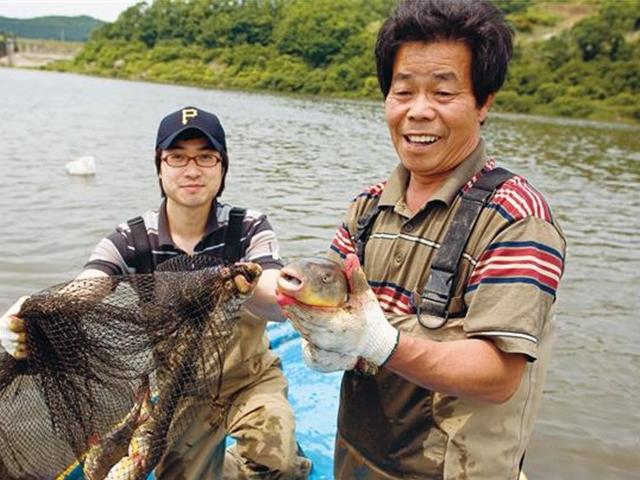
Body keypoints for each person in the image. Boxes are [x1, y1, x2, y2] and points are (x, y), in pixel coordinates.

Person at [280, 1, 566, 479]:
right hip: (359, 461)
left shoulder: (517, 217)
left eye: (442, 92)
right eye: (403, 91)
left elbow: (498, 376)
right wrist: (315, 326)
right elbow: (328, 287)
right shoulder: (368, 207)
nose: (418, 112)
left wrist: (377, 341)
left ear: (484, 102)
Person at [0, 106, 310, 480]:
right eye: (177, 157)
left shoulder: (248, 227)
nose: (191, 170)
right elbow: (87, 288)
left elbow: (273, 296)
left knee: (281, 465)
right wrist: (34, 311)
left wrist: (256, 287)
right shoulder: (132, 239)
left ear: (222, 166)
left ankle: (278, 451)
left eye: (205, 157)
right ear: (159, 166)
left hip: (250, 377)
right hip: (183, 388)